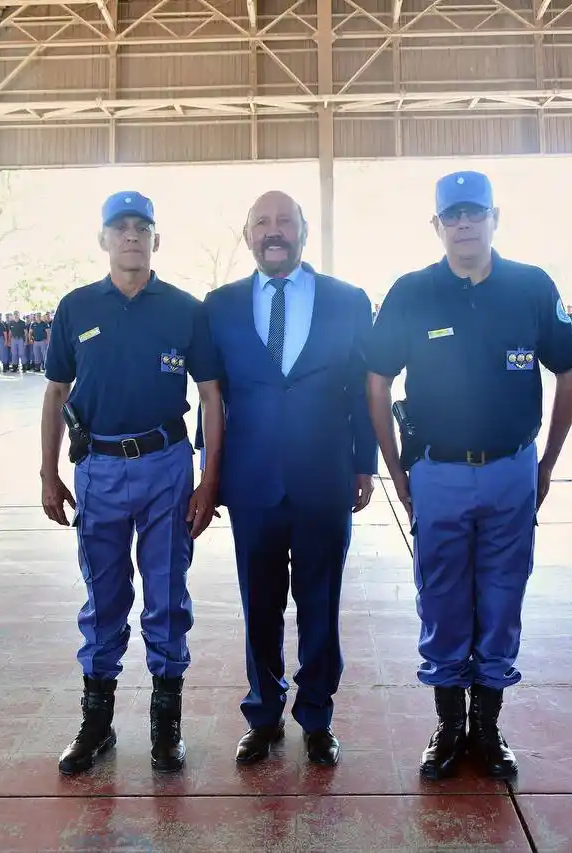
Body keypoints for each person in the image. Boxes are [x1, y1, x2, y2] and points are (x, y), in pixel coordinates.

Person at [363, 171, 572, 781]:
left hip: (512, 468)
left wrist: (547, 464)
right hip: (437, 471)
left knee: (503, 593)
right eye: (451, 216)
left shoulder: (531, 287)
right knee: (440, 595)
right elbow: (376, 380)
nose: (464, 225)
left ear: (495, 217)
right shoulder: (411, 292)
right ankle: (448, 724)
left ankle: (487, 724)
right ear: (436, 225)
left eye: (474, 213)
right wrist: (394, 470)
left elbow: (570, 372)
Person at [39, 191, 224, 776]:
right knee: (105, 595)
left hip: (167, 464)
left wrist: (209, 479)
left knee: (168, 594)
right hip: (96, 468)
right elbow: (54, 393)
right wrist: (49, 472)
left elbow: (213, 397)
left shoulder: (186, 309)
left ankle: (165, 725)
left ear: (155, 240)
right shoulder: (75, 308)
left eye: (142, 228)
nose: (131, 237)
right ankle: (97, 723)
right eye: (119, 228)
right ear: (103, 240)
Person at [198, 190, 377, 768]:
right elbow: (211, 398)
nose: (273, 232)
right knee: (260, 603)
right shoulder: (219, 305)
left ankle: (318, 716)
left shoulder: (348, 300)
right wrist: (212, 476)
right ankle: (264, 714)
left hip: (324, 478)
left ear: (303, 231)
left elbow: (363, 389)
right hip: (251, 485)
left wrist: (364, 463)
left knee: (321, 601)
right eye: (262, 223)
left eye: (284, 222)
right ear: (246, 235)